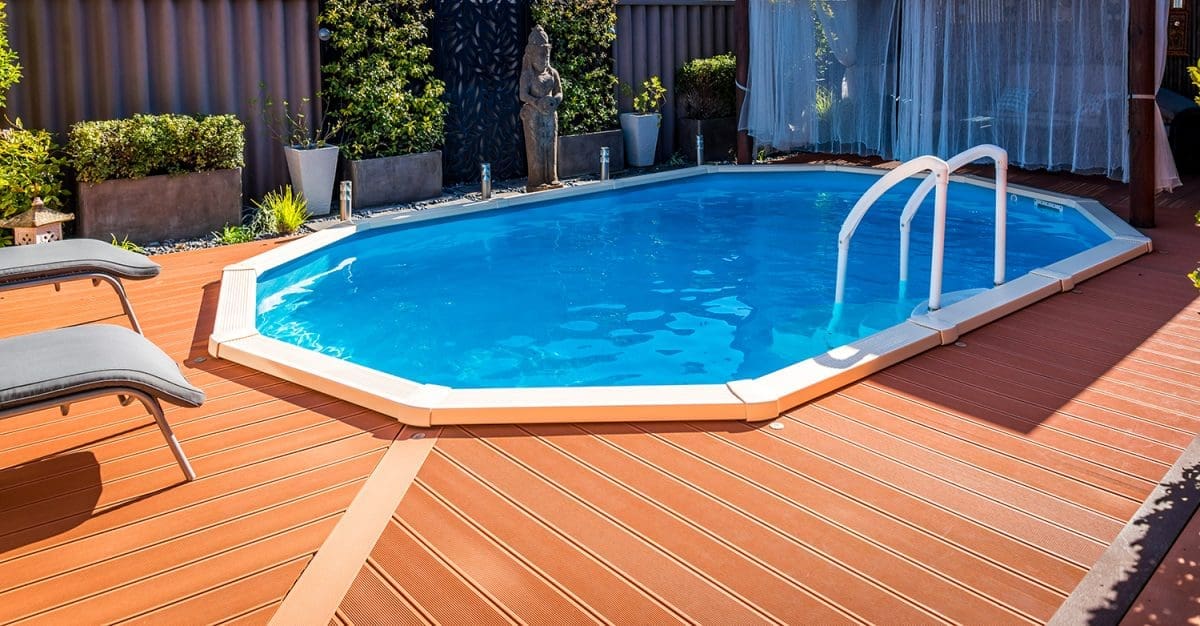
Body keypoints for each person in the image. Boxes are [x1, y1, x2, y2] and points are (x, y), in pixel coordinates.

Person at [519, 25, 564, 192]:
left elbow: (559, 92)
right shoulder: (528, 75)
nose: (544, 60)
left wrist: (555, 101)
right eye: (540, 56)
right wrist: (536, 103)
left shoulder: (553, 73)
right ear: (531, 56)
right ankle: (536, 180)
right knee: (536, 148)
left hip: (550, 115)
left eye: (546, 56)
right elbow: (522, 95)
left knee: (551, 146)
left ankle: (552, 177)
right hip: (533, 116)